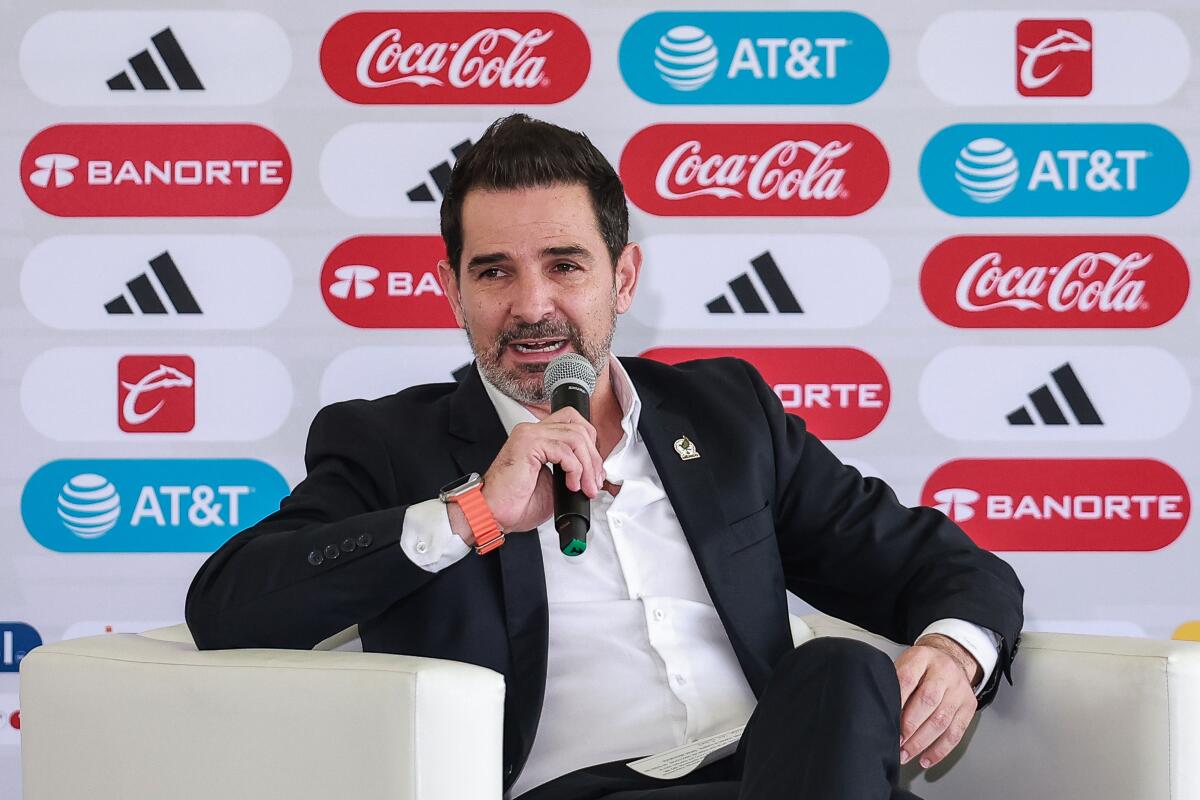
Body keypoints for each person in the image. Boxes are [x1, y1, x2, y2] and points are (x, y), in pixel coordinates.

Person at [186, 114, 1023, 800]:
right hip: (583, 790)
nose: (531, 306)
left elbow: (941, 565)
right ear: (452, 292)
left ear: (623, 279)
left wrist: (954, 652)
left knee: (841, 672)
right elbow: (228, 604)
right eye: (494, 273)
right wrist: (471, 512)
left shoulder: (727, 415)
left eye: (565, 265)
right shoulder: (389, 443)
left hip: (779, 771)